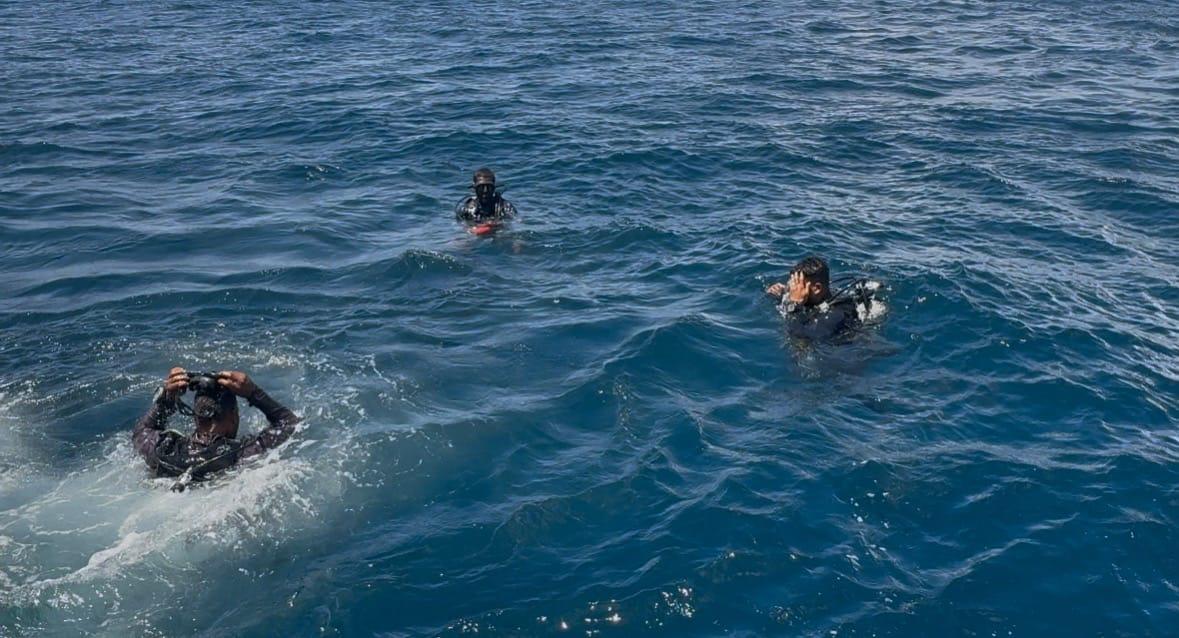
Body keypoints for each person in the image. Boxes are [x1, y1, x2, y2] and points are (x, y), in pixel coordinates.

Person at [132, 367, 300, 490]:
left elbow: (142, 430)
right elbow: (290, 423)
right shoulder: (243, 454)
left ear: (196, 417)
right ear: (233, 416)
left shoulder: (163, 449)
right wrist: (254, 393)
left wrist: (167, 399)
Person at [765, 256, 862, 340]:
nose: (794, 289)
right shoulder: (819, 298)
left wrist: (794, 307)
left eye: (798, 284)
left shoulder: (836, 315)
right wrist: (781, 294)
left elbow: (801, 337)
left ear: (817, 288)